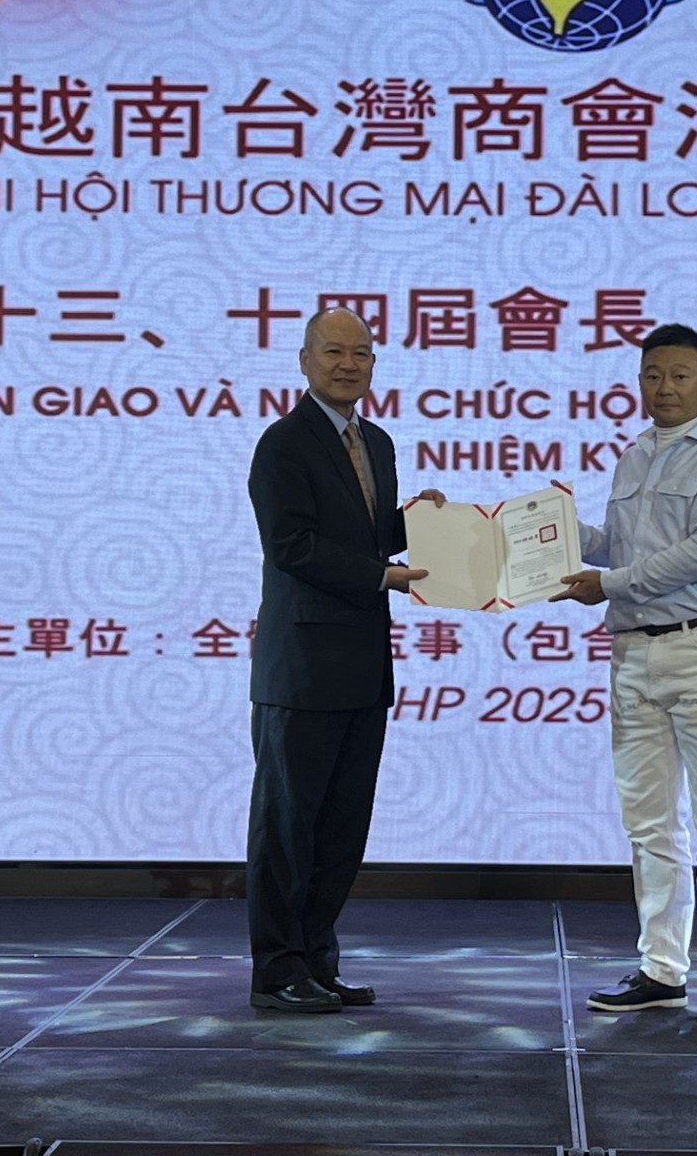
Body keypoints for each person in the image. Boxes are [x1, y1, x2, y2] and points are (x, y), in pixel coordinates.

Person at [557, 323, 697, 1025]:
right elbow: (619, 548)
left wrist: (609, 583)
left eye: (679, 375)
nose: (665, 388)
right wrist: (546, 527)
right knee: (649, 824)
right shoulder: (635, 455)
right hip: (634, 654)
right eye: (652, 375)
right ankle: (662, 969)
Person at [245, 306, 438, 1013]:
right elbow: (292, 547)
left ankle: (317, 961)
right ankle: (277, 969)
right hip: (301, 669)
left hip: (362, 666)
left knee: (341, 828)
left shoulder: (376, 442)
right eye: (333, 352)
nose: (348, 364)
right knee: (287, 828)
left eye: (361, 354)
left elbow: (366, 534)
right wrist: (382, 574)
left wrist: (423, 524)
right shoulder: (283, 444)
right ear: (305, 361)